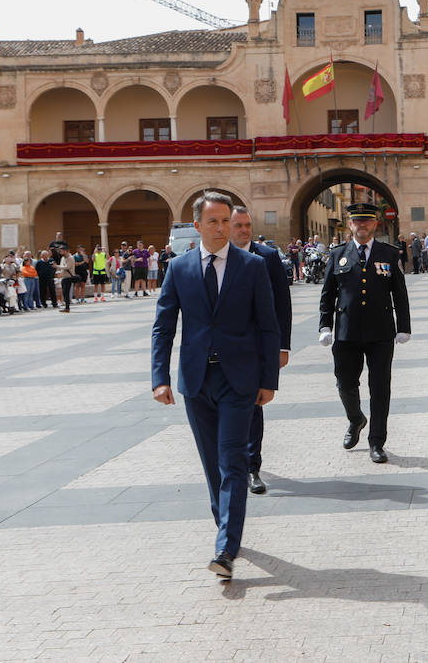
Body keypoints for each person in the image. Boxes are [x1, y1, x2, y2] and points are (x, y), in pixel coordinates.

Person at [151, 191, 280, 581]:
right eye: (214, 221)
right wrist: (160, 378)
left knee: (233, 461)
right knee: (211, 466)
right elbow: (164, 326)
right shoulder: (179, 268)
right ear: (197, 225)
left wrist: (268, 379)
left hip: (238, 381)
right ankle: (225, 527)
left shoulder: (252, 266)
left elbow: (268, 325)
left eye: (227, 221)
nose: (222, 228)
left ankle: (226, 547)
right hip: (196, 381)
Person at [318, 203, 412, 463]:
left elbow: (399, 293)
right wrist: (325, 325)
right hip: (347, 333)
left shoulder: (389, 253)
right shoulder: (338, 255)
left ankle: (377, 441)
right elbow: (328, 294)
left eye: (367, 221)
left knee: (380, 388)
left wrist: (403, 326)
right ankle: (356, 418)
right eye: (357, 221)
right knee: (345, 383)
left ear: (375, 225)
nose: (362, 225)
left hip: (381, 332)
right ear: (350, 225)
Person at [229, 205, 292, 496]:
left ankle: (252, 467)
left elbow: (282, 303)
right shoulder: (215, 259)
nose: (244, 230)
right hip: (223, 349)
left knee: (254, 407)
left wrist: (282, 347)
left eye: (247, 225)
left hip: (255, 348)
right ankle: (232, 463)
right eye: (238, 225)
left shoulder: (267, 257)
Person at [56, 248, 77, 312]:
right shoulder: (63, 258)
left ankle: (67, 307)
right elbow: (62, 266)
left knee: (66, 292)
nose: (60, 252)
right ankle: (66, 307)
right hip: (63, 277)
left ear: (66, 251)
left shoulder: (70, 258)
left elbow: (67, 267)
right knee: (64, 293)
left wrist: (57, 266)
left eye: (61, 251)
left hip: (68, 277)